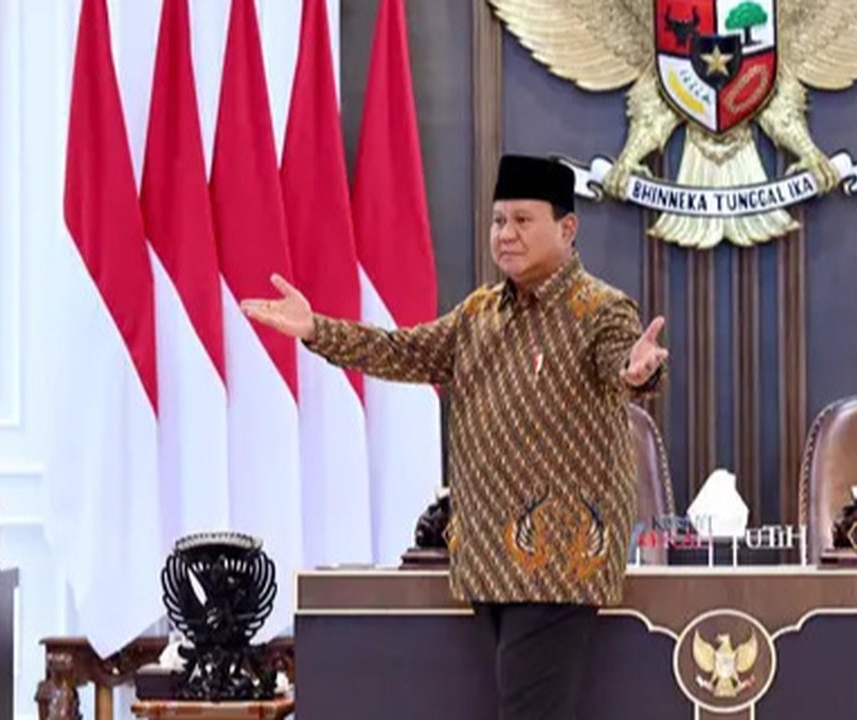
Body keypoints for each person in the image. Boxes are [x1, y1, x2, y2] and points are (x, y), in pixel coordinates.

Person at [242, 154, 668, 719]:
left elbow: (623, 364)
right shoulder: (480, 313)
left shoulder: (601, 310)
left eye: (523, 220)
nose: (506, 234)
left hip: (558, 569)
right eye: (498, 221)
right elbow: (402, 352)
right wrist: (317, 329)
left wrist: (638, 371)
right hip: (486, 564)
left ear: (567, 228)